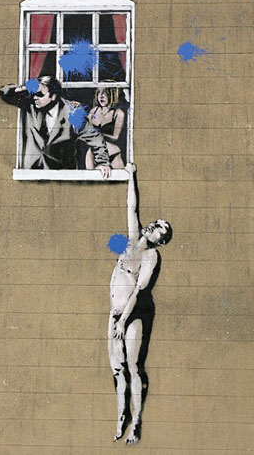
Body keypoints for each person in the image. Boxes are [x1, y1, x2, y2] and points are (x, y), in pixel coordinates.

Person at [108, 163, 172, 445]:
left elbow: (138, 290)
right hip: (115, 314)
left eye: (160, 228)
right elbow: (132, 206)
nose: (154, 225)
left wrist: (123, 321)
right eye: (156, 222)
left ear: (161, 241)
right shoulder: (133, 239)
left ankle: (137, 423)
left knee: (133, 366)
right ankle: (121, 416)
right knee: (117, 368)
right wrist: (131, 175)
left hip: (133, 316)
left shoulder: (151, 257)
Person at [0, 76, 111, 178]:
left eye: (40, 94)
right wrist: (25, 87)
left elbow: (94, 137)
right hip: (31, 174)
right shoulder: (30, 105)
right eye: (34, 93)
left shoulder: (71, 112)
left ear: (53, 96)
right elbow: (4, 92)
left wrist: (102, 163)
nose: (35, 97)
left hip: (61, 176)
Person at [85, 85, 125, 169]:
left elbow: (115, 137)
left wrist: (98, 134)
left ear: (112, 94)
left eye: (105, 92)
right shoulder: (93, 111)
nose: (101, 96)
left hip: (112, 152)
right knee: (91, 175)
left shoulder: (118, 113)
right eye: (99, 92)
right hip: (94, 152)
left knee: (118, 175)